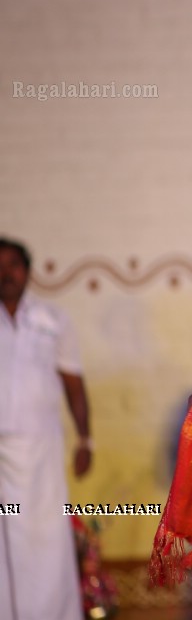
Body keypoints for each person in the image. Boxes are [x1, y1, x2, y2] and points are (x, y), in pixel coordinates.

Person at [0, 237, 92, 620]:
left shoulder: (53, 320)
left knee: (47, 535)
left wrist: (86, 439)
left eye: (14, 265)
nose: (6, 274)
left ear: (28, 271)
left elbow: (74, 384)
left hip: (42, 451)